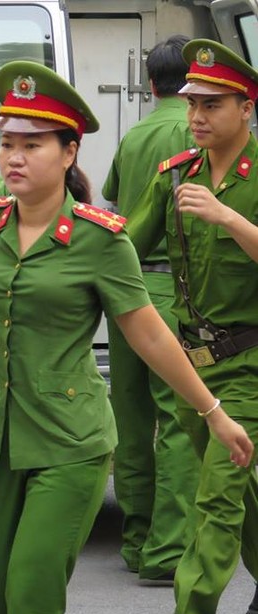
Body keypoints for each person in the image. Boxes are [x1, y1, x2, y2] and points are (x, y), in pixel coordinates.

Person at [0, 60, 252, 614]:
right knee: (6, 609)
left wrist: (213, 412)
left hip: (68, 442)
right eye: (7, 143)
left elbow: (149, 332)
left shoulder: (99, 239)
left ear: (69, 153)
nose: (15, 157)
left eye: (32, 144)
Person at [122, 39, 258, 614]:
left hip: (251, 360)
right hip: (192, 362)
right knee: (244, 486)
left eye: (212, 104)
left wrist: (228, 218)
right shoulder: (175, 175)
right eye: (192, 103)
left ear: (246, 107)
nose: (197, 116)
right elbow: (123, 245)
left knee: (219, 492)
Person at [102, 34, 201, 583]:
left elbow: (115, 206)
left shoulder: (134, 134)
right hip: (176, 292)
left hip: (127, 291)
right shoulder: (197, 130)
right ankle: (168, 551)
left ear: (150, 81)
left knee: (133, 419)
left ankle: (138, 541)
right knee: (183, 420)